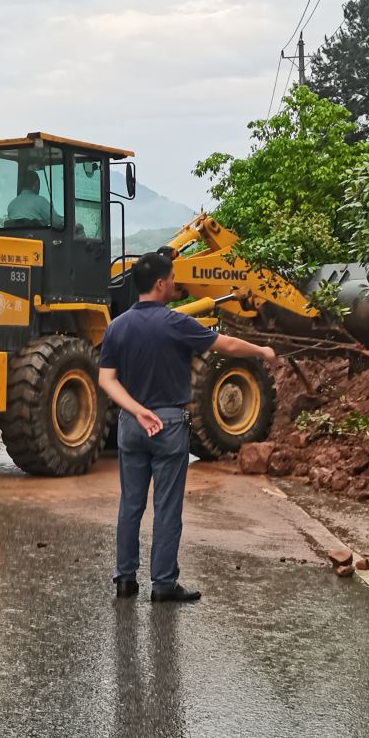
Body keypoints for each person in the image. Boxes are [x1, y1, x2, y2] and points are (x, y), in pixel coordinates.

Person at [97, 250, 278, 603]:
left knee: (130, 504)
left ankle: (125, 579)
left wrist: (136, 411)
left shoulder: (116, 326)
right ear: (161, 283)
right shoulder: (176, 322)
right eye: (174, 279)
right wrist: (261, 350)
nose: (177, 285)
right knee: (166, 507)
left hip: (132, 424)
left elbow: (107, 380)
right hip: (167, 424)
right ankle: (163, 584)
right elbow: (224, 344)